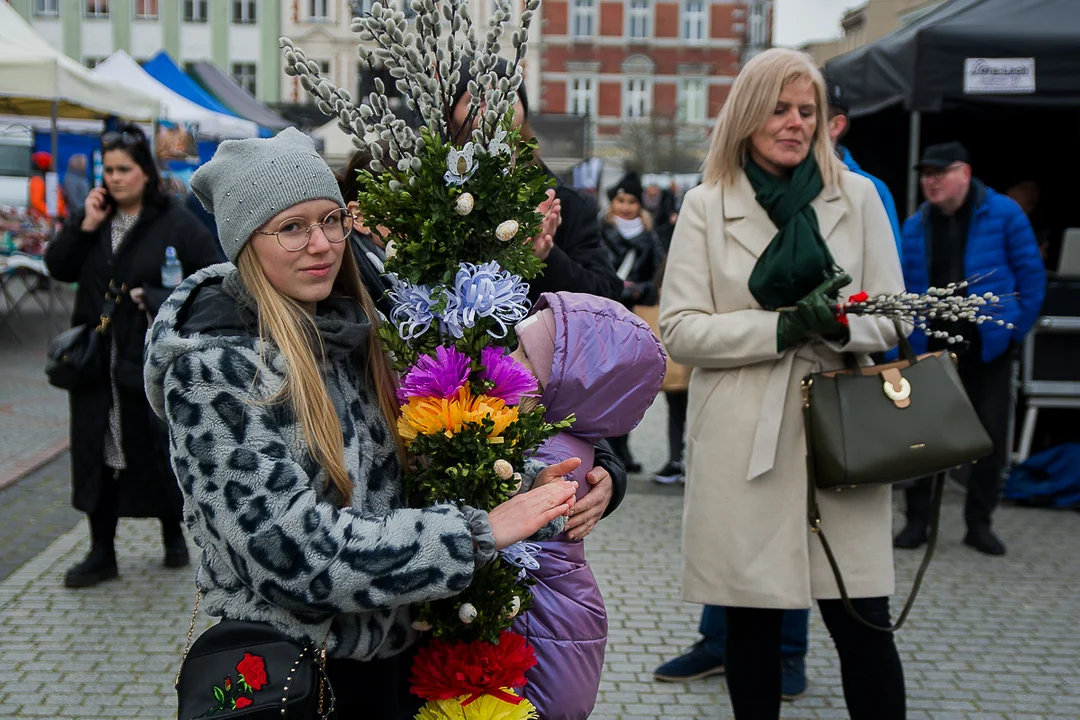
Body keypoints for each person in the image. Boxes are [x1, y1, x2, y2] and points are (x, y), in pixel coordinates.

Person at [143, 128, 582, 720]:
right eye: (291, 227)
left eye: (330, 219)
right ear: (246, 242)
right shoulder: (214, 366)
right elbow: (291, 554)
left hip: (397, 663)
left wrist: (540, 491)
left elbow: (418, 471)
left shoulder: (359, 332)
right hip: (295, 677)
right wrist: (473, 534)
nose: (321, 244)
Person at [658, 48, 907, 720]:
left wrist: (836, 325)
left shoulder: (856, 197)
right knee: (752, 627)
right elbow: (678, 332)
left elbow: (891, 315)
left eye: (808, 111)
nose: (796, 122)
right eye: (780, 108)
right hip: (745, 440)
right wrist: (779, 329)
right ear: (747, 114)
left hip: (844, 432)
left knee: (863, 625)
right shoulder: (707, 206)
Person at [449, 58, 629, 537]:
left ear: (523, 115)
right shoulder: (431, 203)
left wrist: (545, 257)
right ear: (451, 116)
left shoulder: (565, 204)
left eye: (505, 96)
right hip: (441, 415)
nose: (489, 108)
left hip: (541, 424)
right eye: (474, 97)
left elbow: (607, 307)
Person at [44, 124, 221, 589]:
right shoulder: (94, 217)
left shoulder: (174, 220)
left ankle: (174, 536)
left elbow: (212, 277)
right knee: (95, 450)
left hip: (146, 359)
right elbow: (58, 267)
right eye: (109, 170)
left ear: (145, 171)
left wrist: (160, 294)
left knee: (156, 446)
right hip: (95, 362)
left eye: (125, 169)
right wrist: (83, 225)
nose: (116, 178)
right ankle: (101, 550)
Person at [510, 291, 665, 720]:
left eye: (523, 356)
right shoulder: (558, 432)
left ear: (564, 383)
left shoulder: (548, 450)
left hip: (541, 622)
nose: (506, 363)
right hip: (557, 618)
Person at [894, 142, 1046, 556]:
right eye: (926, 174)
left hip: (988, 349)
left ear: (965, 173)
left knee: (989, 437)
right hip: (931, 347)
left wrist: (1012, 332)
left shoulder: (1003, 214)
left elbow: (1032, 278)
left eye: (939, 172)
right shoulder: (915, 225)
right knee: (922, 437)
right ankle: (917, 521)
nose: (931, 181)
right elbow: (906, 289)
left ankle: (979, 523)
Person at [599, 171, 665, 473]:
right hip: (601, 319)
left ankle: (623, 445)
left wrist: (641, 289)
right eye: (620, 200)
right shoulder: (600, 230)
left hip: (634, 319)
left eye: (632, 201)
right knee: (602, 385)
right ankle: (607, 447)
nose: (625, 207)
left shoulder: (649, 237)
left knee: (628, 386)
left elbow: (659, 275)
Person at [29, 151, 66, 220]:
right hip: (45, 218)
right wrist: (51, 213)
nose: (52, 166)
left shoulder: (47, 178)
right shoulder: (37, 180)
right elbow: (36, 202)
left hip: (54, 216)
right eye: (50, 163)